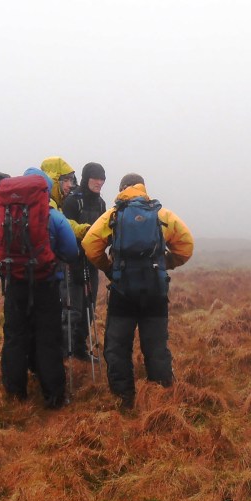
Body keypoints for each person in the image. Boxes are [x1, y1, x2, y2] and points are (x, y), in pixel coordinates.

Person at [81, 173, 194, 410]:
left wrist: (109, 268)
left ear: (122, 188)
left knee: (117, 346)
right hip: (155, 291)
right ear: (143, 188)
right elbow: (186, 246)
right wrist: (166, 263)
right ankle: (161, 401)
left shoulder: (114, 214)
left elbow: (90, 244)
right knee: (156, 347)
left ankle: (124, 399)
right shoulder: (162, 215)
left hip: (123, 292)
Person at [0, 168, 82, 409]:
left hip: (15, 285)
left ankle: (15, 394)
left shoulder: (7, 213)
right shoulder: (54, 216)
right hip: (46, 284)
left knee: (15, 337)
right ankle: (53, 396)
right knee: (48, 339)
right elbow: (70, 252)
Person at [61, 162, 108, 360]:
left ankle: (80, 349)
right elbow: (66, 230)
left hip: (91, 262)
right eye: (96, 178)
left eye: (102, 178)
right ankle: (65, 351)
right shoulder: (72, 201)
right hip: (73, 262)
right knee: (73, 309)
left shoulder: (101, 204)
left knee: (89, 308)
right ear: (86, 178)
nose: (99, 182)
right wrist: (74, 259)